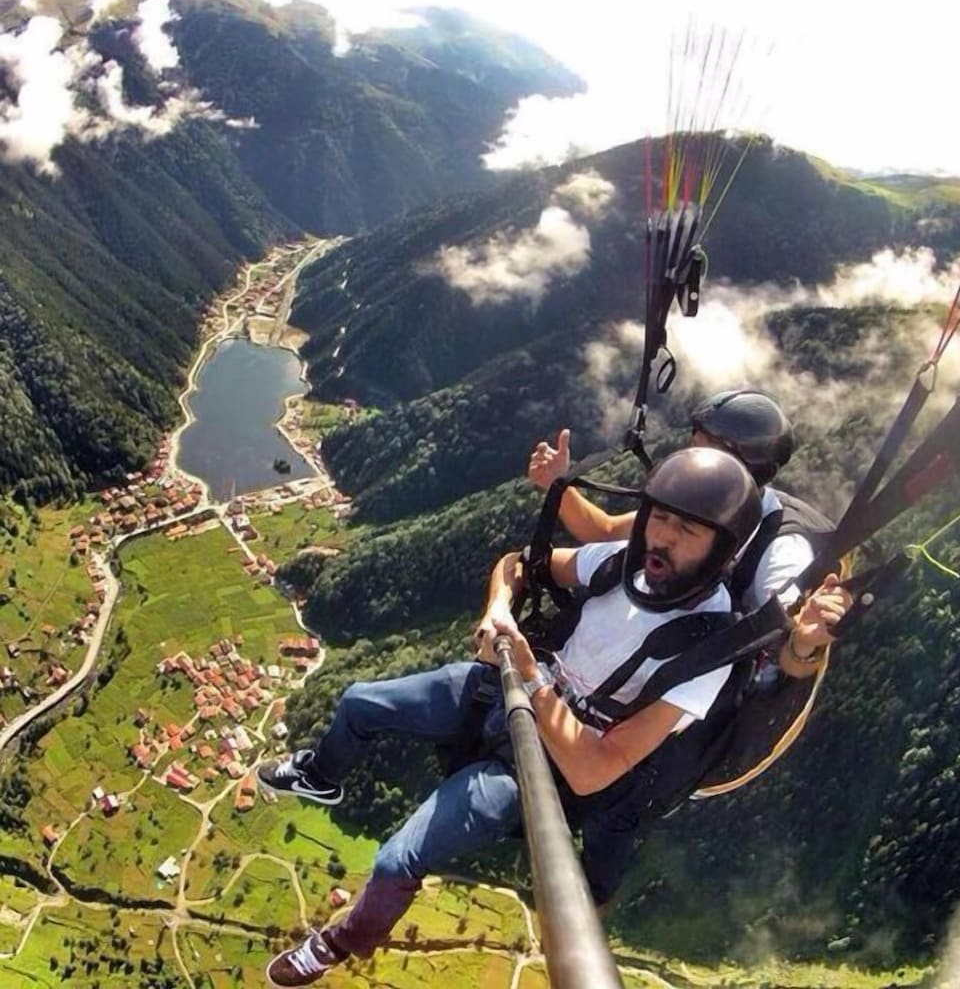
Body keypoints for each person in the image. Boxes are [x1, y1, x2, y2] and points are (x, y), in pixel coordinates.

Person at [256, 447, 842, 986]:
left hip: (544, 758)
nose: (662, 538)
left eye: (686, 530)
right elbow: (519, 564)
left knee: (396, 858)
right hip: (505, 689)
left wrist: (531, 676)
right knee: (360, 701)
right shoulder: (620, 564)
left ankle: (341, 941)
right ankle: (321, 774)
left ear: (721, 550)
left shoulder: (707, 651)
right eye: (659, 518)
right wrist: (499, 609)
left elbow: (594, 771)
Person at [528, 389, 845, 676]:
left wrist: (804, 642)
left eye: (705, 453)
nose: (691, 462)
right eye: (693, 447)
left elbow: (789, 638)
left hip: (691, 677)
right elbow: (606, 532)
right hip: (640, 639)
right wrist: (558, 484)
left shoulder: (781, 548)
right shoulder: (698, 502)